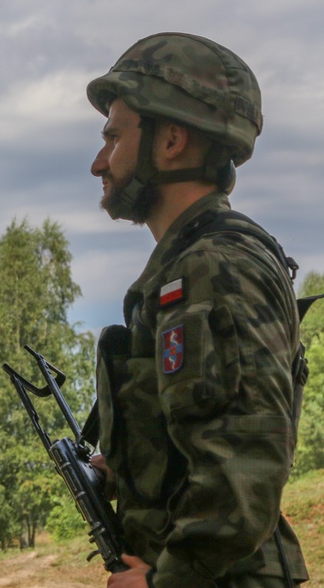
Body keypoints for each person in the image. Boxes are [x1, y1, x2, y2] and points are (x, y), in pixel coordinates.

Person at [86, 33, 307, 588]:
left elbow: (245, 465)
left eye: (113, 138)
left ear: (172, 141)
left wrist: (168, 582)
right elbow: (199, 430)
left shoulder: (216, 266)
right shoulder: (184, 267)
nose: (98, 162)